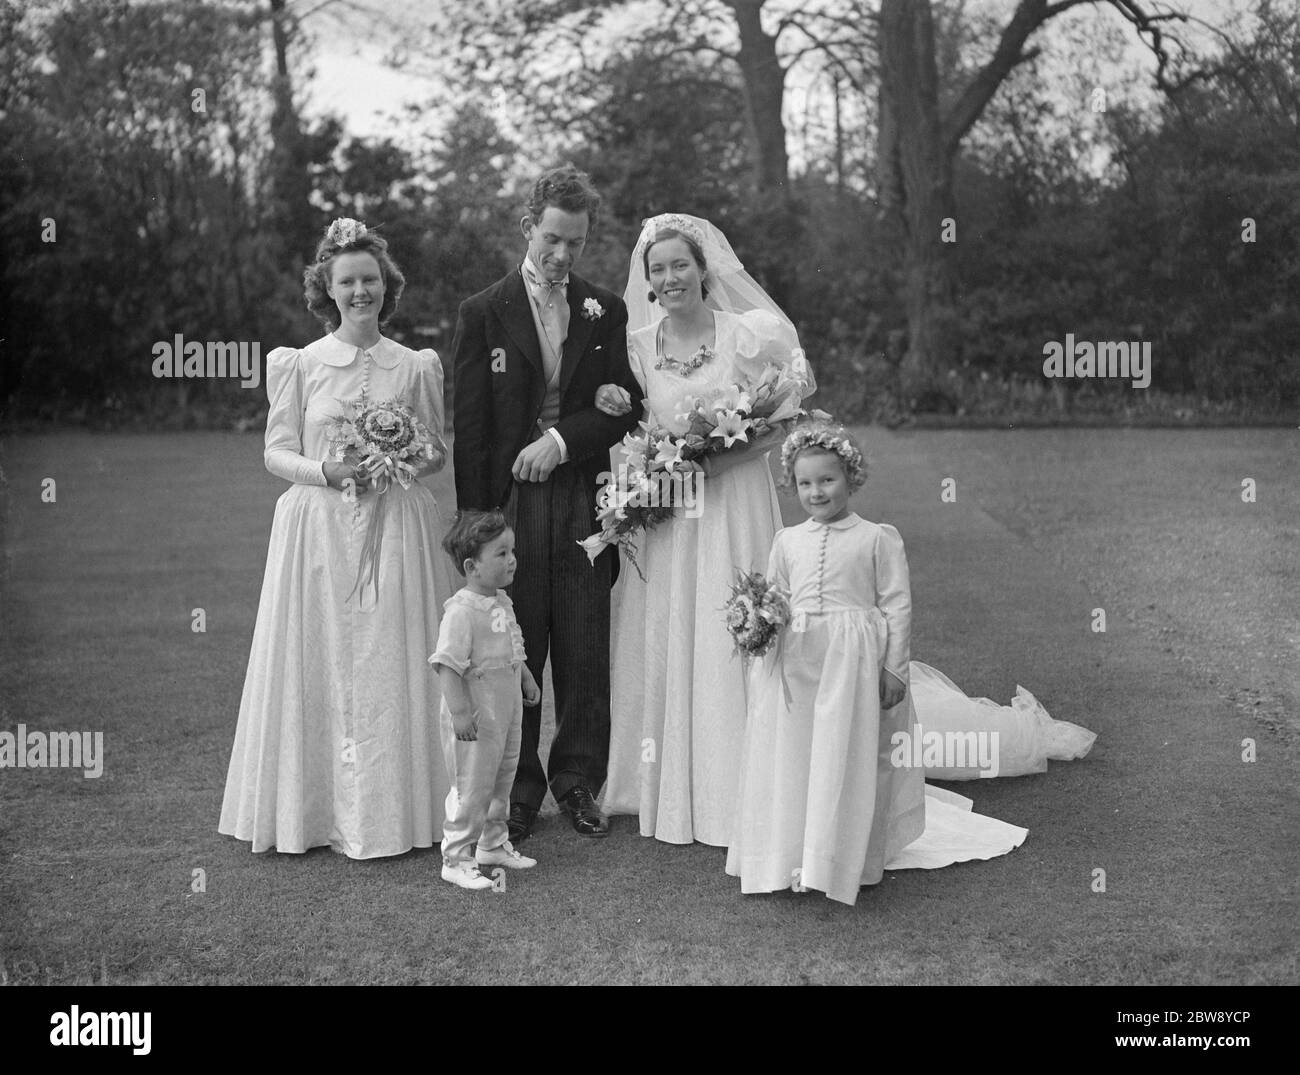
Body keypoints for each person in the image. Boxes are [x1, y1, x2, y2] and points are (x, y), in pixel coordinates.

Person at [219, 218, 457, 859]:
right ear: (327, 289)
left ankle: (401, 812)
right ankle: (315, 813)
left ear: (387, 286)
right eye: (347, 281)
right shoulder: (298, 364)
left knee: (392, 655)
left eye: (370, 280)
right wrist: (328, 470)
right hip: (318, 529)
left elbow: (436, 450)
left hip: (397, 525)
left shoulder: (413, 365)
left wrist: (401, 457)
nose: (360, 291)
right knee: (319, 655)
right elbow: (276, 452)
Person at [724, 423, 1028, 905]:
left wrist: (895, 669)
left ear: (850, 477)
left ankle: (844, 857)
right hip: (797, 664)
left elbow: (897, 607)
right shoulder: (787, 540)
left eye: (827, 480)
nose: (816, 492)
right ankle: (790, 851)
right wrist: (759, 622)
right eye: (805, 483)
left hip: (853, 665)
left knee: (848, 751)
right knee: (798, 751)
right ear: (792, 485)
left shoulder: (876, 538)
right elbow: (777, 594)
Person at [598, 213, 816, 846]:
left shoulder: (751, 333)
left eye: (680, 266)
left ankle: (744, 782)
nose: (670, 279)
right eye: (658, 270)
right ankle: (668, 786)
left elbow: (781, 418)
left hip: (736, 504)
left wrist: (713, 463)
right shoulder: (638, 346)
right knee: (673, 629)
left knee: (731, 624)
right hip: (673, 516)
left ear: (704, 270)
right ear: (647, 281)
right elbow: (635, 427)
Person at [450, 165, 642, 842]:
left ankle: (580, 782)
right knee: (516, 647)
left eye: (577, 243)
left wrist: (562, 440)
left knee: (586, 647)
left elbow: (623, 407)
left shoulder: (605, 310)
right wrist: (475, 532)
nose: (563, 255)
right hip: (511, 510)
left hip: (586, 500)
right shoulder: (482, 313)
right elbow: (470, 431)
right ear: (529, 224)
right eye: (553, 238)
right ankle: (522, 787)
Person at [429, 511, 541, 890]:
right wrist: (460, 713)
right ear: (471, 566)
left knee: (502, 776)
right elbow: (447, 666)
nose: (512, 559)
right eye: (501, 553)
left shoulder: (502, 602)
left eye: (512, 551)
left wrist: (524, 676)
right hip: (476, 716)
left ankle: (492, 844)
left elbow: (513, 644)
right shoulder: (460, 612)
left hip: (505, 710)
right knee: (472, 784)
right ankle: (456, 857)